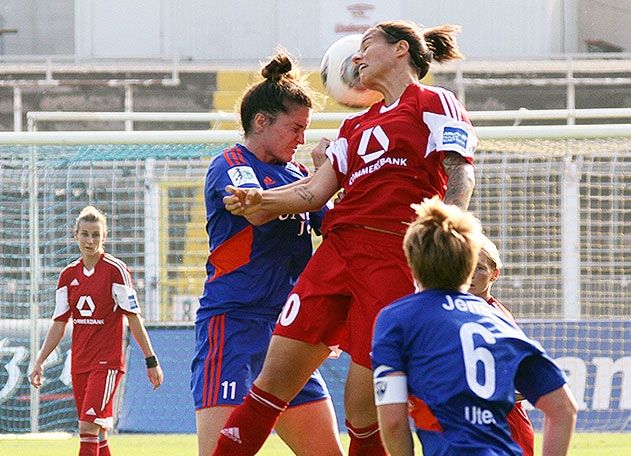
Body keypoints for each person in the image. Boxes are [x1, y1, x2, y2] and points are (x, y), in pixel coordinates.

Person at [215, 20, 477, 455]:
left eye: (366, 45)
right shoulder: (352, 129)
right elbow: (314, 192)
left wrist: (446, 235)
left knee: (363, 412)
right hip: (335, 255)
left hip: (393, 258)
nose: (356, 56)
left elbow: (461, 169)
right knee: (268, 386)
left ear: (400, 51)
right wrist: (259, 199)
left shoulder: (434, 101)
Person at [190, 52, 344, 456]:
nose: (300, 139)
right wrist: (317, 182)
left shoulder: (297, 176)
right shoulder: (230, 165)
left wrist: (326, 180)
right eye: (295, 128)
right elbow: (257, 211)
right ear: (261, 122)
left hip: (287, 333)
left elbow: (333, 228)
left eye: (305, 130)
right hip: (235, 322)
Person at [371, 196, 578, 456]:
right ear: (468, 265)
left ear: (412, 263)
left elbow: (392, 421)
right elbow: (563, 408)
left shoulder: (397, 319)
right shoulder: (497, 319)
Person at [29, 205, 163, 456]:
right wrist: (39, 361)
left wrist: (151, 360)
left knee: (87, 427)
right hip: (80, 363)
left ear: (105, 237)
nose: (90, 240)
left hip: (107, 362)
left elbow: (133, 318)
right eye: (85, 234)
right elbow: (59, 323)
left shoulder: (116, 270)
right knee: (98, 431)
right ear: (75, 234)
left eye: (96, 235)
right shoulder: (68, 275)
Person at [469, 234, 535, 456]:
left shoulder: (497, 317)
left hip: (505, 424)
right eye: (466, 265)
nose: (471, 275)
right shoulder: (453, 311)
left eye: (479, 268)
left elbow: (524, 378)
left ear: (494, 275)